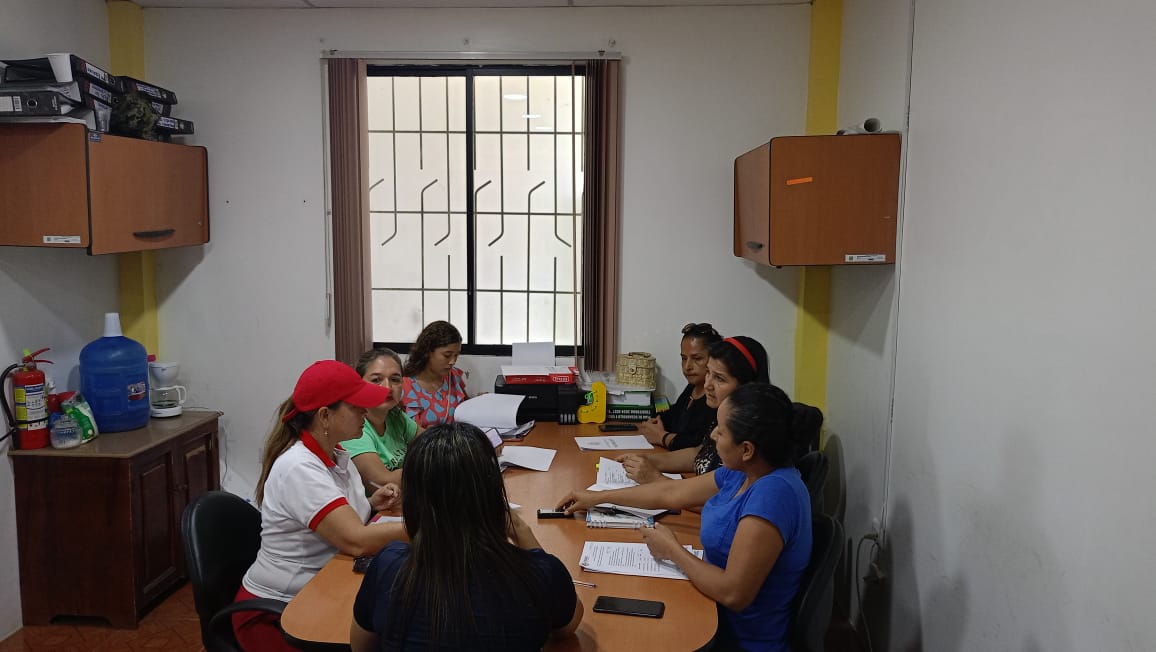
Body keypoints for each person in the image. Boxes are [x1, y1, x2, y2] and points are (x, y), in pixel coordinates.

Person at [556, 383, 812, 652]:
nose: (712, 435)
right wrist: (597, 497)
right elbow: (671, 493)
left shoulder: (773, 495)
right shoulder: (743, 470)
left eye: (721, 431)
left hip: (735, 641)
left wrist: (672, 551)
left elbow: (733, 593)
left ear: (747, 449)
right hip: (709, 610)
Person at [351, 422, 583, 651]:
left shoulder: (389, 566)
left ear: (414, 501)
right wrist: (521, 530)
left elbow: (360, 646)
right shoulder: (540, 572)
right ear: (494, 494)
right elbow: (566, 626)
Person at [233, 360, 408, 652]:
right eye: (357, 407)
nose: (365, 412)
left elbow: (335, 520)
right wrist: (428, 527)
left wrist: (369, 503)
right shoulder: (299, 467)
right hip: (279, 613)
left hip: (321, 588)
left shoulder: (336, 454)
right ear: (325, 416)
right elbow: (355, 539)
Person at [620, 336, 770, 484]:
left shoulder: (747, 441)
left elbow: (714, 496)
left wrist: (655, 478)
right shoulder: (724, 416)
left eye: (719, 378)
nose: (707, 385)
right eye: (708, 373)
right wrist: (645, 459)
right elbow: (699, 454)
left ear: (746, 386)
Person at [342, 347, 424, 492]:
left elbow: (431, 442)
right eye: (376, 380)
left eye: (395, 380)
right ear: (359, 383)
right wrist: (429, 467)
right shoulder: (352, 426)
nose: (387, 387)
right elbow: (382, 481)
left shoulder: (395, 415)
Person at [639, 322, 723, 450]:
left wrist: (662, 437)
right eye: (684, 358)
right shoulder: (692, 387)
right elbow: (672, 416)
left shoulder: (715, 398)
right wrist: (654, 422)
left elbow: (699, 444)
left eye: (697, 358)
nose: (687, 366)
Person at [400, 320, 468, 428]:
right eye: (447, 355)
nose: (452, 361)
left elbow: (466, 410)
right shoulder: (403, 386)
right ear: (427, 351)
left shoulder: (454, 377)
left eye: (456, 355)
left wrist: (478, 401)